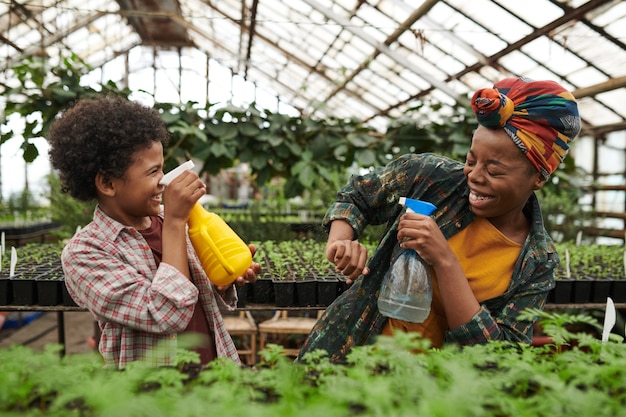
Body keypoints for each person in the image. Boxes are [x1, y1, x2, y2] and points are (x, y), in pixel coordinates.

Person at [297, 77, 581, 363]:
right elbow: (357, 194)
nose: (474, 176)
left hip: (436, 395)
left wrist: (444, 260)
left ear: (539, 178)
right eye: (471, 161)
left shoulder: (536, 262)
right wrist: (341, 241)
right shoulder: (432, 177)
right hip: (347, 359)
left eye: (494, 171)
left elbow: (498, 358)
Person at [47, 95, 261, 369]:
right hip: (153, 397)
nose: (163, 181)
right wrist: (174, 223)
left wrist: (223, 278)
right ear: (107, 183)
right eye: (153, 172)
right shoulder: (85, 253)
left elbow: (197, 297)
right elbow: (164, 313)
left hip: (215, 377)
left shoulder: (175, 223)